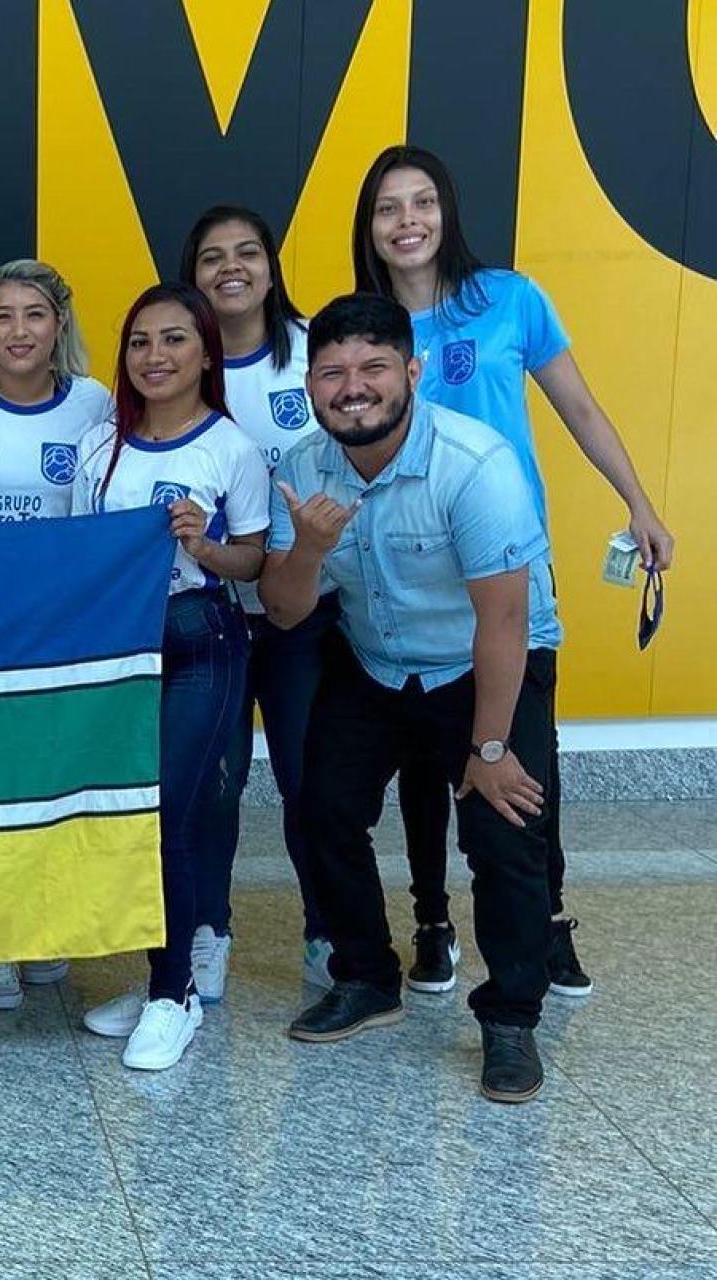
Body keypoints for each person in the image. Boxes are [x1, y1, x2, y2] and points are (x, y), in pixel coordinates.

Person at [352, 145, 675, 998]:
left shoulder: (510, 301)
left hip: (506, 561)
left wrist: (638, 504)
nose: (408, 221)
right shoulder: (362, 328)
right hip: (406, 570)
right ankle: (432, 920)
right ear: (371, 227)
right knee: (426, 754)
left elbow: (578, 406)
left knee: (527, 752)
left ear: (447, 211)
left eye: (422, 202)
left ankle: (547, 921)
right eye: (389, 208)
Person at [264, 292, 561, 1104]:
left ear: (412, 373)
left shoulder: (475, 462)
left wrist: (491, 751)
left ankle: (510, 1021)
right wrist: (311, 549)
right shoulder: (302, 467)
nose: (352, 388)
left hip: (486, 663)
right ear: (312, 385)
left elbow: (503, 617)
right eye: (332, 373)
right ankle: (367, 977)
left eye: (372, 368)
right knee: (322, 807)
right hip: (376, 661)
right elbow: (287, 610)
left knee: (505, 832)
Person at [74, 283, 269, 1072]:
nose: (155, 357)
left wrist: (205, 544)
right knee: (128, 815)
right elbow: (79, 554)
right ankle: (163, 973)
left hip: (200, 640)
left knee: (172, 816)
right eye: (140, 342)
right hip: (118, 650)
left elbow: (252, 562)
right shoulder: (98, 446)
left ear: (204, 354)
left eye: (175, 341)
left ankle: (173, 995)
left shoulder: (231, 449)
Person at [0, 259, 113, 1010]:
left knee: (52, 781)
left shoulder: (97, 405)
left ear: (59, 324)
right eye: (2, 316)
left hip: (60, 628)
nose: (18, 331)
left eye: (33, 315)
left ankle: (48, 928)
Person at [179, 206, 331, 998]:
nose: (229, 268)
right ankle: (209, 933)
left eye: (246, 253)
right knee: (215, 779)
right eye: (211, 257)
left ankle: (326, 931)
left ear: (272, 268)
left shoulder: (311, 355)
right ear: (192, 275)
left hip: (302, 610)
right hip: (210, 612)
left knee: (310, 776)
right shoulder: (179, 359)